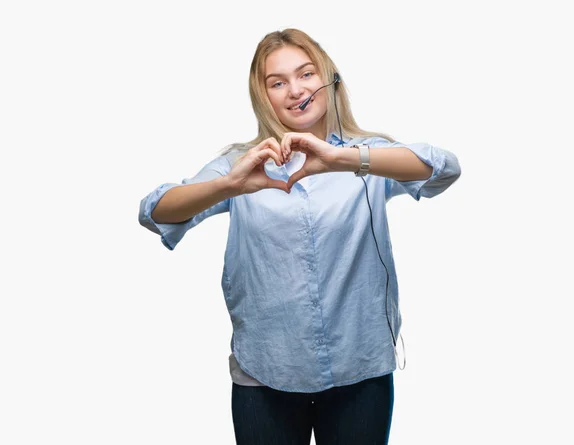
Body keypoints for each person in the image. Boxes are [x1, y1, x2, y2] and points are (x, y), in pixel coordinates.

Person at [138, 28, 461, 445]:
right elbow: (154, 211)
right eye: (277, 82)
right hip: (266, 371)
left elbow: (444, 169)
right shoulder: (243, 165)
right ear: (263, 96)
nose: (295, 90)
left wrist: (344, 159)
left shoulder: (369, 158)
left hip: (358, 369)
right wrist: (228, 186)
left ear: (329, 79)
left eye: (306, 74)